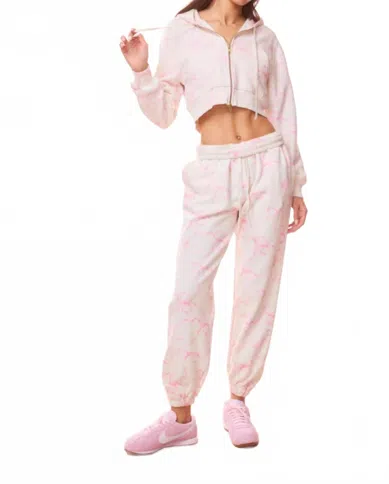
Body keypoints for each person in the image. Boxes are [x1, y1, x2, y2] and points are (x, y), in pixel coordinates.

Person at [119, 0, 308, 455]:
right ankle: (180, 417)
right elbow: (164, 114)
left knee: (256, 289)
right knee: (189, 290)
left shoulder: (264, 38)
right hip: (213, 169)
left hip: (269, 164)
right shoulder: (182, 31)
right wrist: (142, 71)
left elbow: (285, 109)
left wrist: (296, 183)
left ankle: (238, 400)